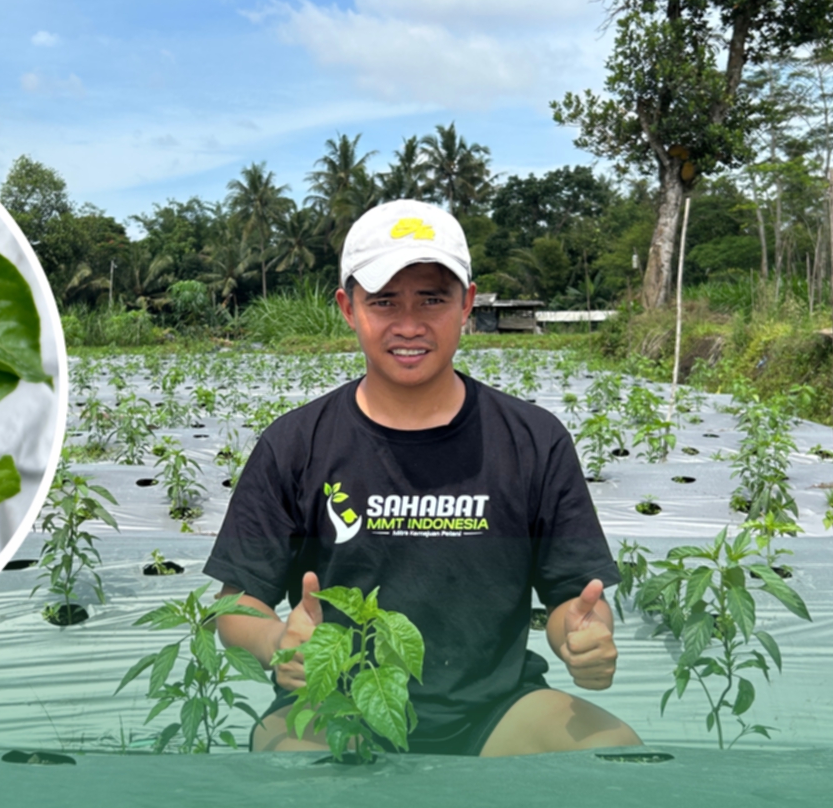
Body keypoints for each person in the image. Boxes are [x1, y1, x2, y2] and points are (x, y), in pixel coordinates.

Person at [204, 199, 643, 757]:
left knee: (614, 752)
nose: (408, 325)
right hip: (335, 706)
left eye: (432, 300)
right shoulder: (295, 444)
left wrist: (581, 637)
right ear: (347, 307)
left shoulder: (532, 439)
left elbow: (573, 597)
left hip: (495, 709)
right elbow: (238, 603)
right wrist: (275, 641)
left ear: (467, 304)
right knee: (301, 770)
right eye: (384, 301)